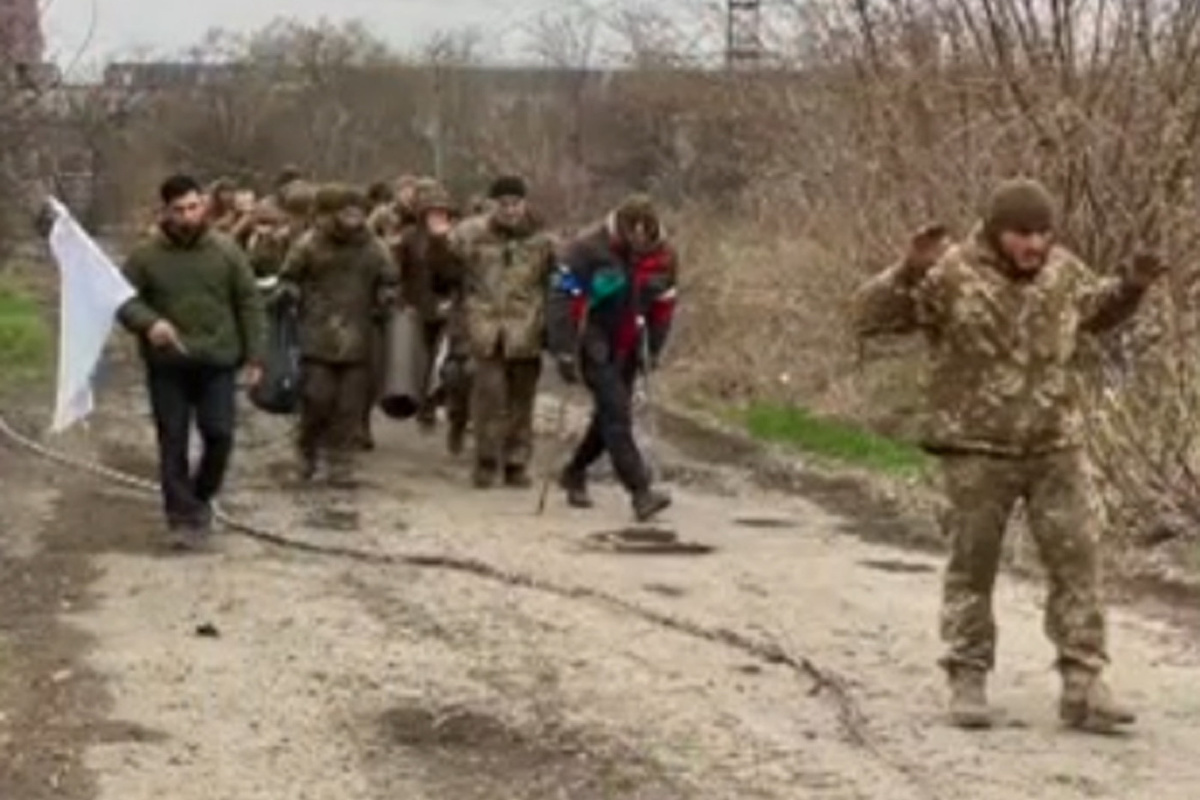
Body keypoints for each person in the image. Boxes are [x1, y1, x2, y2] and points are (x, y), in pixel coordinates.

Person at [851, 177, 1167, 733]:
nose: (1036, 245)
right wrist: (906, 272)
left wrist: (1132, 287)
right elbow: (869, 318)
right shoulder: (951, 274)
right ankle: (968, 676)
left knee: (1079, 559)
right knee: (974, 566)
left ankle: (1084, 682)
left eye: (1044, 233)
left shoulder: (1063, 272)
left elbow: (1095, 312)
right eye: (1023, 234)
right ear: (997, 233)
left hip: (1054, 442)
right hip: (976, 447)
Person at [116, 173, 266, 548]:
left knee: (220, 434)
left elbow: (249, 301)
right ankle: (182, 518)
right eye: (179, 209)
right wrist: (149, 323)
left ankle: (200, 495)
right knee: (173, 440)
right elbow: (122, 300)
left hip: (217, 359)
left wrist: (255, 355)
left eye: (194, 207)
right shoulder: (146, 256)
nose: (187, 216)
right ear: (165, 211)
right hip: (168, 364)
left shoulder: (226, 251)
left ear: (205, 205)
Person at [548, 193, 675, 522]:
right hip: (593, 338)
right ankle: (640, 492)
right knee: (617, 413)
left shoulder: (664, 255)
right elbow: (561, 294)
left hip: (631, 341)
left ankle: (575, 471)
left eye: (645, 231)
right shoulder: (585, 249)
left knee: (607, 418)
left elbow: (663, 306)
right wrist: (563, 347)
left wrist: (655, 350)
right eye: (632, 230)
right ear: (620, 225)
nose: (638, 238)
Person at [277, 183, 399, 485]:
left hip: (358, 334)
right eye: (347, 212)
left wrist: (386, 297)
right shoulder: (310, 244)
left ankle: (341, 462)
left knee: (349, 406)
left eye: (358, 213)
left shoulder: (374, 248)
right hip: (317, 332)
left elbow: (390, 279)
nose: (353, 218)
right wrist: (290, 294)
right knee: (317, 397)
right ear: (334, 214)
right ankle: (307, 451)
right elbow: (288, 276)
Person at [446, 175, 555, 488]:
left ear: (524, 204)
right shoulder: (470, 234)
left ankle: (516, 462)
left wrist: (569, 302)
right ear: (493, 204)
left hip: (527, 328)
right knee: (489, 398)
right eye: (503, 204)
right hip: (485, 328)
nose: (510, 210)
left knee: (522, 402)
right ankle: (486, 460)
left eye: (515, 203)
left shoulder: (542, 240)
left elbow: (557, 279)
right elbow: (445, 271)